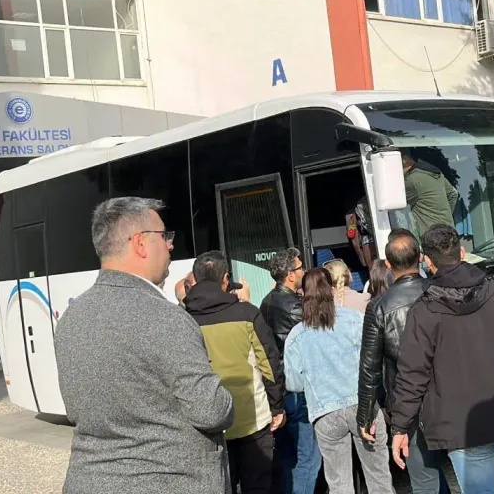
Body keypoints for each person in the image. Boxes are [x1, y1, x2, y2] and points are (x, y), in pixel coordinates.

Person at [55, 197, 234, 494]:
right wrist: (227, 398)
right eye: (164, 236)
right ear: (140, 243)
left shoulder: (71, 317)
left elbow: (81, 409)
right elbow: (211, 410)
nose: (170, 245)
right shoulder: (166, 317)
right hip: (168, 482)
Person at [391, 225, 494, 493]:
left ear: (427, 262)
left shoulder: (423, 313)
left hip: (462, 425)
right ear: (462, 253)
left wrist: (400, 426)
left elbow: (412, 375)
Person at [284, 268, 395, 494]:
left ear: (303, 294)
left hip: (325, 411)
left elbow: (293, 384)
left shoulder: (296, 335)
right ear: (333, 289)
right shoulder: (355, 320)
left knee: (339, 485)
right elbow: (374, 363)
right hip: (362, 404)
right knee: (379, 479)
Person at [185, 251, 287, 494]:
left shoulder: (184, 320)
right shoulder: (247, 314)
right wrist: (277, 406)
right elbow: (269, 364)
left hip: (209, 424)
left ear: (195, 280)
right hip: (253, 418)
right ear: (225, 279)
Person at [358, 229, 447, 493]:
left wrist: (365, 414)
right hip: (449, 390)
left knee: (424, 476)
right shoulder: (442, 291)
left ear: (388, 265)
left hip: (407, 399)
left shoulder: (379, 307)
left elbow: (370, 367)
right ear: (420, 257)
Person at [260, 249, 321, 494]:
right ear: (289, 275)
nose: (304, 271)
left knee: (289, 459)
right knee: (309, 459)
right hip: (297, 388)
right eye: (300, 268)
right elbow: (317, 337)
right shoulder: (294, 306)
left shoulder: (267, 301)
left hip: (279, 388)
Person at [402, 151, 459, 237]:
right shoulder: (436, 174)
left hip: (431, 235)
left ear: (407, 164)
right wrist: (443, 215)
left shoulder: (411, 181)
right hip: (449, 231)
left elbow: (398, 203)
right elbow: (453, 194)